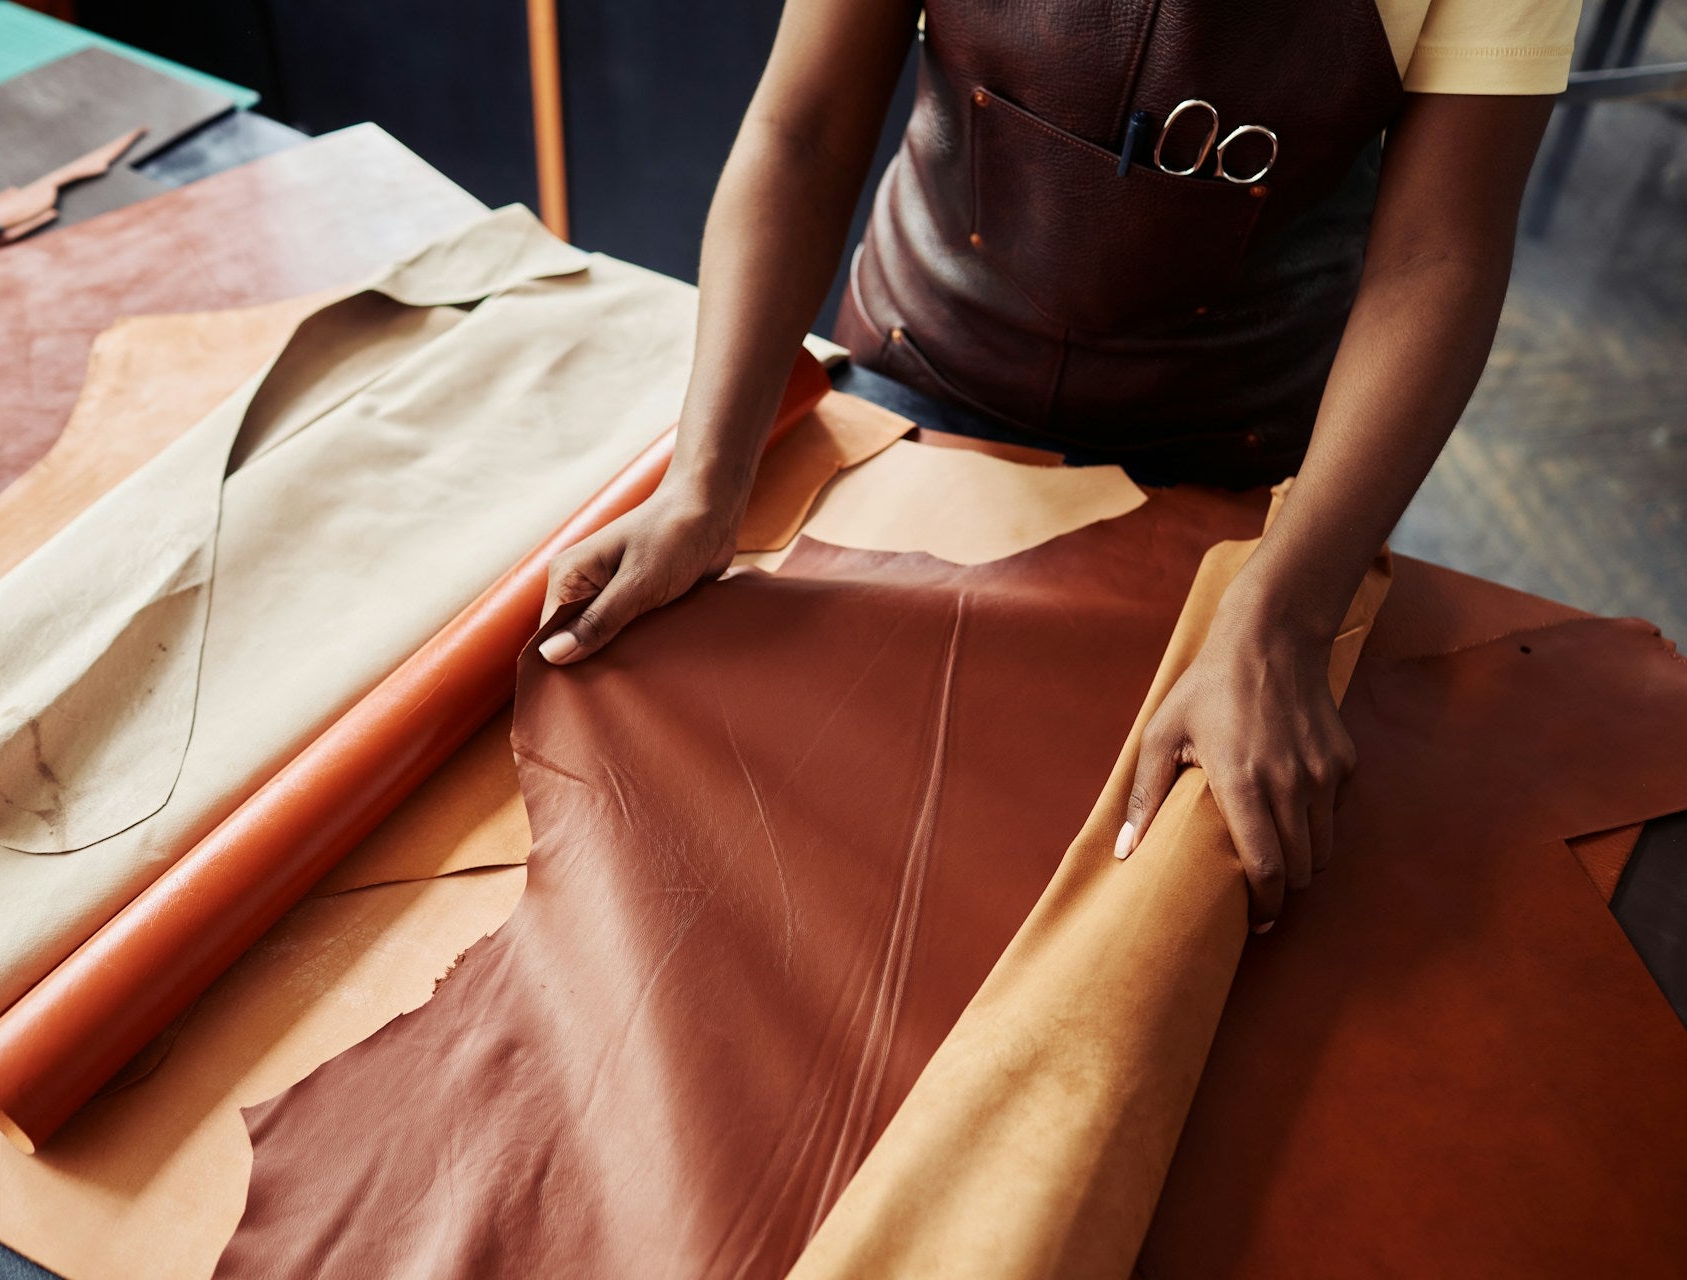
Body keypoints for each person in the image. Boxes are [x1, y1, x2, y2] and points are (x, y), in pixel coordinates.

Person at [537, 0, 1583, 931]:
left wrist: (1282, 616)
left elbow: (1435, 257)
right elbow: (800, 132)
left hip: (1238, 455)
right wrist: (704, 485)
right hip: (920, 376)